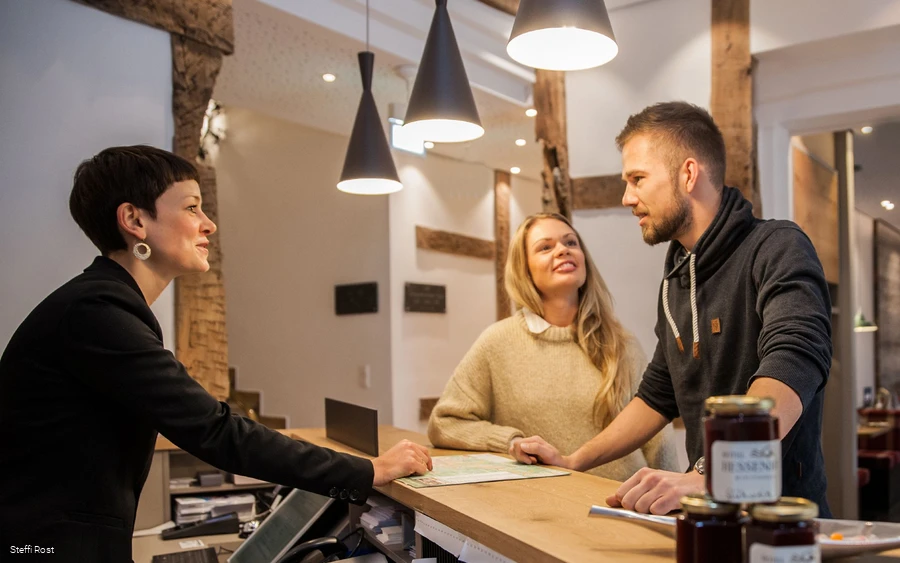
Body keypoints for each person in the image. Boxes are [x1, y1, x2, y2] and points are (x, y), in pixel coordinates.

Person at [0, 146, 432, 562]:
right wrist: (367, 471)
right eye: (191, 208)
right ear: (134, 219)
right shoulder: (97, 312)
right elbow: (215, 430)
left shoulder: (104, 305)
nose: (208, 225)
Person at [514, 102, 833, 516]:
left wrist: (714, 473)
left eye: (637, 179)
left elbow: (793, 364)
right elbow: (657, 396)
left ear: (687, 173)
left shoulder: (777, 248)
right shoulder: (678, 279)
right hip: (707, 514)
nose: (627, 197)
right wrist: (575, 460)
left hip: (782, 525)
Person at [428, 213, 678, 481]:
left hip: (620, 503)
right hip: (545, 507)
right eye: (545, 247)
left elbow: (658, 439)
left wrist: (674, 513)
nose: (562, 250)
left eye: (571, 243)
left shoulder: (621, 342)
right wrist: (510, 441)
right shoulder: (497, 343)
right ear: (525, 269)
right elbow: (445, 423)